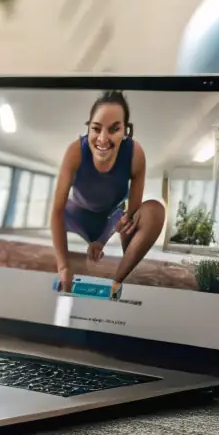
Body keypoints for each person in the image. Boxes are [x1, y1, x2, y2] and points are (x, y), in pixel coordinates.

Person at [49, 91, 166, 302]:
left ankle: (117, 282)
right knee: (60, 214)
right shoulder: (75, 151)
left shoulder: (135, 154)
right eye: (96, 128)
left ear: (126, 131)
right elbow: (57, 211)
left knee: (155, 211)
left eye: (114, 129)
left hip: (111, 218)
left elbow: (131, 214)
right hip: (76, 216)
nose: (103, 139)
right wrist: (63, 265)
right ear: (88, 128)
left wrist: (105, 237)